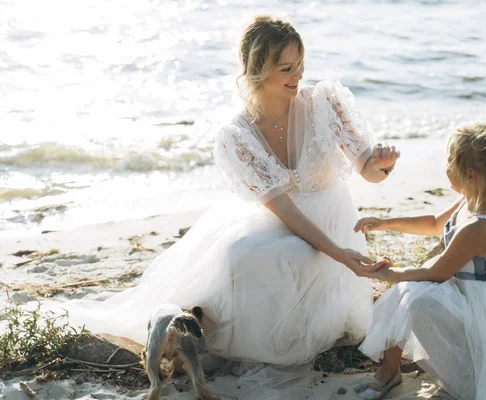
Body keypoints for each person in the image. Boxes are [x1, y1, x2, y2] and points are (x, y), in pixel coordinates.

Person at [64, 15, 399, 387]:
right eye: (286, 68)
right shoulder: (237, 136)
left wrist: (381, 166)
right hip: (280, 220)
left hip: (332, 217)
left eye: (301, 64)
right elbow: (284, 209)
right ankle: (204, 333)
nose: (298, 75)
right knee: (242, 254)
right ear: (257, 70)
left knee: (299, 259)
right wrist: (338, 253)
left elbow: (366, 167)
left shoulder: (325, 102)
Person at [351, 116, 486, 399]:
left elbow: (437, 273)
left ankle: (458, 382)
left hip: (481, 309)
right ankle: (389, 371)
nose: (445, 166)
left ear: (469, 174)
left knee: (415, 299)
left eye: (450, 160)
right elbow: (432, 223)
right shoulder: (470, 198)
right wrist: (384, 222)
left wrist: (386, 274)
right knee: (404, 293)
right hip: (463, 293)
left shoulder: (481, 226)